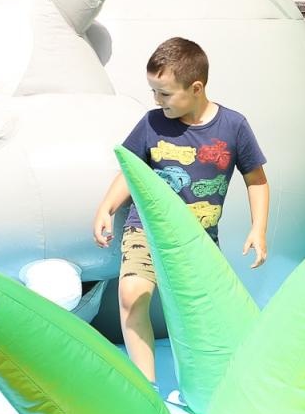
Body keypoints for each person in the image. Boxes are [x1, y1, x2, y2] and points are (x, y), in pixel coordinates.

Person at [92, 37, 269, 382]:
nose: (157, 101)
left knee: (205, 313)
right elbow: (130, 170)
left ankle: (211, 380)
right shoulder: (151, 124)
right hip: (147, 229)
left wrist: (258, 228)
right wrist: (106, 207)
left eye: (165, 93)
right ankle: (147, 384)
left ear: (196, 87)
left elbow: (257, 180)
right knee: (131, 295)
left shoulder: (233, 127)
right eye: (154, 92)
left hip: (198, 239)